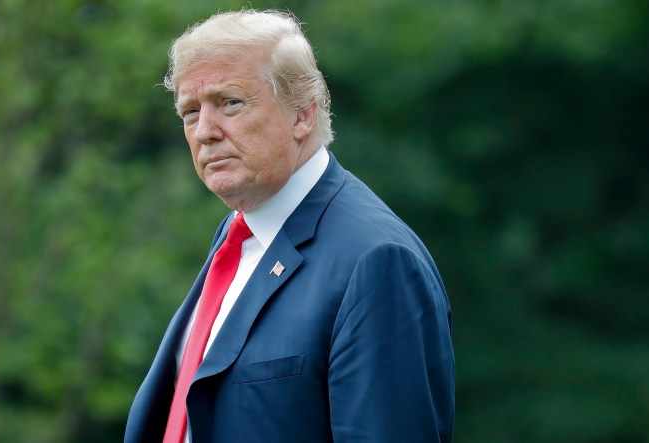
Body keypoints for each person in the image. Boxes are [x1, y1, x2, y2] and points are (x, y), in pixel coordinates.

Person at [125, 9, 454, 443]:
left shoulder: (377, 260)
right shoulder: (237, 234)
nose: (204, 131)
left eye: (230, 103)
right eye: (190, 111)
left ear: (302, 114)